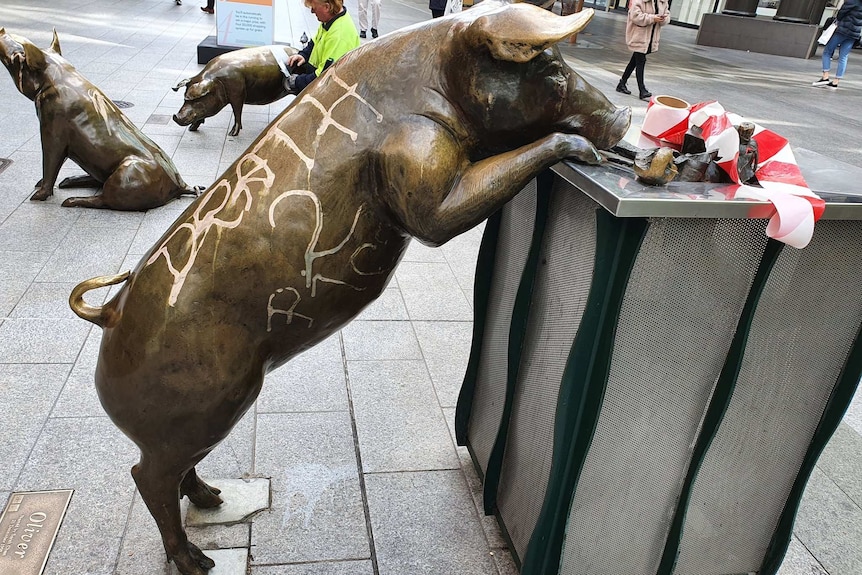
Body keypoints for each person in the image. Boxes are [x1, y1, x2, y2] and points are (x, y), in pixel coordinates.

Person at [283, 0, 360, 95]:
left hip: (330, 93)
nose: (312, 11)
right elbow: (316, 41)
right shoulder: (330, 20)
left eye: (314, 8)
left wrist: (298, 81)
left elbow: (325, 76)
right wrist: (304, 55)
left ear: (327, 7)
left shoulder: (339, 36)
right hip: (320, 80)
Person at [616, 0, 670, 101]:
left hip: (651, 38)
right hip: (639, 37)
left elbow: (667, 15)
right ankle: (642, 90)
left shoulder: (663, 2)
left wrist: (663, 19)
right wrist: (652, 18)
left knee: (634, 61)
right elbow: (635, 16)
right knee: (641, 60)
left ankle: (622, 83)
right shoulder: (640, 1)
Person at [813, 0, 862, 89]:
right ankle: (836, 82)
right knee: (843, 56)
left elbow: (841, 12)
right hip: (854, 33)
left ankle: (825, 77)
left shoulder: (853, 1)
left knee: (827, 52)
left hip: (842, 30)